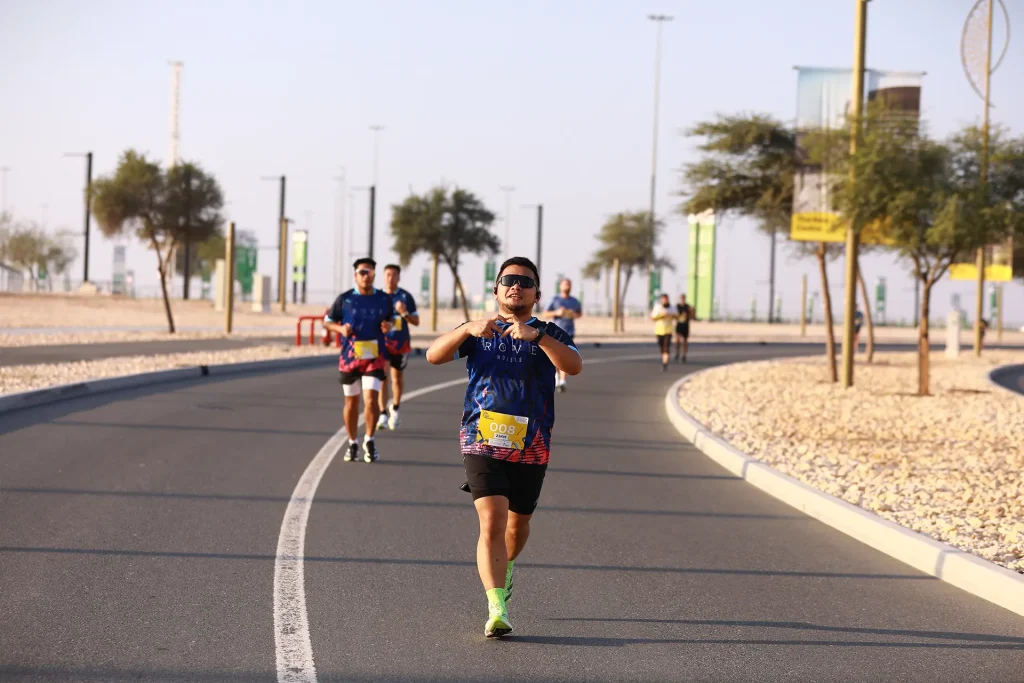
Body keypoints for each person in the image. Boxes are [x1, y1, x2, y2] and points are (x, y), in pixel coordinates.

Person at [426, 256, 583, 638]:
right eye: (508, 280)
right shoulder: (480, 331)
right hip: (481, 437)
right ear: (496, 289)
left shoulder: (547, 332)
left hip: (532, 443)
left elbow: (574, 366)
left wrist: (539, 338)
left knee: (518, 524)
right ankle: (497, 607)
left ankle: (506, 567)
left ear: (537, 294)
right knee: (492, 520)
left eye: (524, 282)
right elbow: (433, 356)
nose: (516, 286)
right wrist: (466, 328)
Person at [323, 258, 393, 463]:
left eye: (370, 272)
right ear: (355, 275)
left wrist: (387, 326)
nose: (366, 276)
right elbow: (327, 323)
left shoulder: (383, 299)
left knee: (371, 400)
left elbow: (389, 319)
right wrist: (340, 329)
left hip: (375, 356)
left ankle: (369, 439)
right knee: (351, 402)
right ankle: (352, 442)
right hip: (350, 358)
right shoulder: (344, 299)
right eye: (362, 272)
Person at [377, 264, 420, 430]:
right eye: (387, 274)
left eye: (394, 275)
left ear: (399, 277)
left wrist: (403, 313)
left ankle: (395, 409)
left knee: (396, 379)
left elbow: (416, 322)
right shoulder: (378, 296)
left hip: (400, 344)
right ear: (383, 276)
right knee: (382, 378)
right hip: (382, 344)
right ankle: (382, 413)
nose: (390, 278)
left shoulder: (405, 297)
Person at [543, 277, 583, 392]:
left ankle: (562, 381)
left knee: (566, 355)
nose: (567, 286)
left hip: (569, 332)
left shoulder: (574, 301)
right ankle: (556, 377)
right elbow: (545, 313)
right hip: (555, 332)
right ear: (560, 286)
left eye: (569, 284)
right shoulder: (554, 299)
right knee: (556, 356)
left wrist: (573, 315)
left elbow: (579, 313)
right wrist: (557, 312)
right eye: (565, 284)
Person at [651, 293, 676, 371]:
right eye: (663, 299)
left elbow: (677, 316)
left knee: (666, 347)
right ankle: (663, 359)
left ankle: (665, 363)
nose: (665, 300)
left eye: (666, 299)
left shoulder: (672, 308)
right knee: (662, 347)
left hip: (668, 330)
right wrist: (662, 315)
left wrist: (670, 315)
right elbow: (653, 318)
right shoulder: (657, 307)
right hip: (659, 330)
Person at [674, 294, 694, 363]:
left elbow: (692, 316)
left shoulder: (688, 307)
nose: (682, 299)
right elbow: (674, 316)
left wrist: (691, 311)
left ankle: (684, 354)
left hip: (685, 325)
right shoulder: (677, 306)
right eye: (681, 298)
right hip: (679, 325)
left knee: (685, 341)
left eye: (683, 298)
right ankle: (677, 352)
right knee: (677, 340)